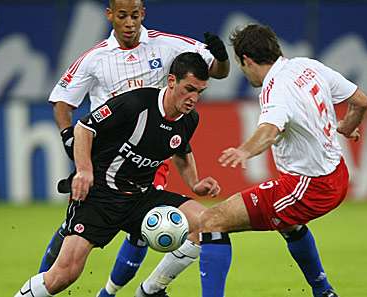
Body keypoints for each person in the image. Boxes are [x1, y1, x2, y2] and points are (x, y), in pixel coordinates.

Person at [43, 0, 229, 296]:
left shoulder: (166, 46)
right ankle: (44, 283)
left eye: (134, 15)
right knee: (72, 237)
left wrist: (221, 57)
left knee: (145, 230)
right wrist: (69, 136)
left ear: (143, 14)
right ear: (110, 16)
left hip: (149, 154)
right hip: (104, 156)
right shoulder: (94, 59)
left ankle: (117, 292)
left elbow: (214, 72)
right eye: (122, 16)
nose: (129, 23)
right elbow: (62, 102)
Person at [15, 52, 221, 297]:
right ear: (172, 81)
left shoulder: (189, 119)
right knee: (64, 274)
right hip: (101, 196)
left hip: (142, 198)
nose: (193, 99)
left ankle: (151, 290)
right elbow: (84, 128)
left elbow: (180, 150)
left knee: (207, 223)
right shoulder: (135, 103)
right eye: (189, 89)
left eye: (200, 92)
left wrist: (195, 184)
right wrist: (84, 170)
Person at [197, 24, 367, 297]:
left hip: (309, 186)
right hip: (336, 174)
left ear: (247, 60)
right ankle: (323, 292)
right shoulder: (306, 66)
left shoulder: (274, 89)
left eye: (241, 65)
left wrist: (244, 151)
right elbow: (361, 101)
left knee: (211, 221)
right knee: (289, 223)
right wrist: (347, 127)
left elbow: (269, 130)